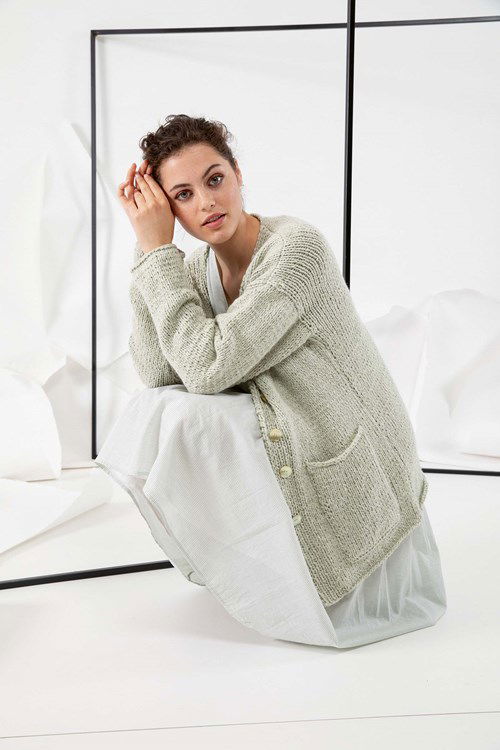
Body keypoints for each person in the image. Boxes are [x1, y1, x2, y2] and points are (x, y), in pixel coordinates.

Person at [94, 114, 447, 648]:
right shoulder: (192, 271)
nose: (207, 202)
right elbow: (161, 373)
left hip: (351, 456)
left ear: (238, 174)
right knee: (163, 408)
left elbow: (206, 369)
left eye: (215, 179)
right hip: (286, 433)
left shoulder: (297, 252)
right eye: (184, 195)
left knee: (193, 411)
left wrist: (160, 256)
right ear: (169, 211)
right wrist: (149, 252)